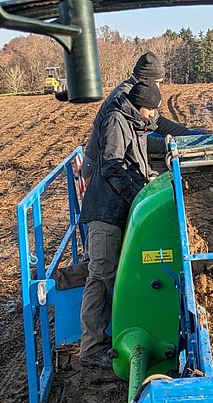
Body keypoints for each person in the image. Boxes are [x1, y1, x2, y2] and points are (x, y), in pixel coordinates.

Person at [76, 80, 163, 368]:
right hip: (105, 212)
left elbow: (136, 163)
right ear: (140, 106)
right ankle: (91, 347)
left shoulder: (134, 123)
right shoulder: (116, 121)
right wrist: (136, 196)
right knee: (102, 276)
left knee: (111, 274)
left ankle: (119, 332)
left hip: (118, 209)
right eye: (151, 110)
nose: (153, 115)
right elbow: (112, 165)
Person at [80, 52, 188, 182]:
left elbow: (157, 121)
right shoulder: (123, 101)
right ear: (143, 78)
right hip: (98, 168)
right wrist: (169, 144)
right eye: (156, 82)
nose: (158, 87)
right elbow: (131, 142)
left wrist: (187, 134)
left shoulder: (139, 94)